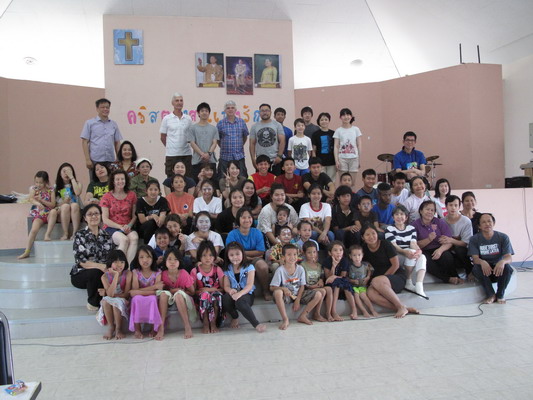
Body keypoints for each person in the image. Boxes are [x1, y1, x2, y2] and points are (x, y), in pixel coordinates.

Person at [361, 225, 418, 318]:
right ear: (362, 237)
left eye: (373, 233)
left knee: (376, 281)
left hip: (396, 276)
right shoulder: (364, 249)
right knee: (371, 294)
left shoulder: (386, 244)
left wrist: (381, 280)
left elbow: (395, 265)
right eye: (367, 235)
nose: (371, 237)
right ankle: (403, 308)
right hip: (379, 281)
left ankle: (400, 306)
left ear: (377, 234)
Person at [70, 204, 115, 311]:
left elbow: (111, 257)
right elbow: (81, 261)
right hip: (81, 274)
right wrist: (100, 266)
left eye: (96, 213)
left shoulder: (107, 236)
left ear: (100, 216)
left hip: (102, 273)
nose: (94, 216)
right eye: (90, 214)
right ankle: (93, 303)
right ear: (85, 218)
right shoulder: (80, 235)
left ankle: (107, 304)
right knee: (95, 272)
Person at [270, 244, 324, 330]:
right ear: (283, 257)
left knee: (318, 294)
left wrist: (298, 300)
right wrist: (283, 288)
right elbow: (272, 287)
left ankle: (303, 316)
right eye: (289, 254)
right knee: (278, 292)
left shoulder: (300, 269)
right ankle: (285, 319)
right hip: (287, 296)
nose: (292, 257)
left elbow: (302, 286)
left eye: (295, 254)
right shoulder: (280, 270)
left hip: (298, 294)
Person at [468, 213, 514, 304]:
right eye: (484, 222)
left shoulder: (503, 237)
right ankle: (491, 295)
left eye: (489, 221)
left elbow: (509, 257)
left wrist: (502, 262)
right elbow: (475, 259)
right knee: (476, 268)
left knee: (507, 268)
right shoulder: (474, 239)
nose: (487, 224)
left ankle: (500, 295)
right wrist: (482, 262)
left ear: (493, 223)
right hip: (485, 272)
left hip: (498, 270)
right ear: (479, 226)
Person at [413, 200, 462, 284]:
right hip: (424, 250)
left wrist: (440, 250)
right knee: (425, 260)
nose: (430, 212)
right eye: (427, 209)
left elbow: (449, 241)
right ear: (421, 211)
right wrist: (428, 239)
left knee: (447, 256)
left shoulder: (439, 222)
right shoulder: (415, 225)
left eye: (432, 210)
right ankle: (447, 279)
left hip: (439, 247)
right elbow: (415, 244)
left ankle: (455, 276)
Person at [226, 207, 271, 300]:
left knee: (262, 266)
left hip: (254, 260)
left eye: (249, 217)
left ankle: (265, 290)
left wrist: (241, 253)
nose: (247, 220)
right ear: (238, 219)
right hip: (237, 261)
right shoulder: (232, 234)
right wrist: (244, 256)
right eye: (243, 217)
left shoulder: (257, 232)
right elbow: (230, 252)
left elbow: (260, 251)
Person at [222, 241, 266, 332]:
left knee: (240, 302)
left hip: (247, 294)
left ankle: (256, 324)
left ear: (243, 254)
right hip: (234, 293)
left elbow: (249, 285)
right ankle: (235, 316)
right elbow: (226, 286)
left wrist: (240, 294)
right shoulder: (227, 269)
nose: (235, 257)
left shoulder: (249, 267)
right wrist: (230, 291)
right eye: (231, 255)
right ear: (227, 256)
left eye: (237, 254)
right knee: (224, 299)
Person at [385, 205, 427, 297]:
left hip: (409, 251)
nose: (399, 216)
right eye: (396, 214)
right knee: (410, 252)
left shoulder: (411, 228)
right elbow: (393, 245)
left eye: (402, 214)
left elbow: (413, 243)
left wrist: (418, 251)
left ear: (406, 217)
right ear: (393, 217)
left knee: (422, 256)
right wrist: (405, 252)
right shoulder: (389, 229)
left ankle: (419, 284)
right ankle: (408, 281)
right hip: (396, 253)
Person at [156, 248, 197, 340]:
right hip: (168, 298)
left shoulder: (183, 274)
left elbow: (192, 292)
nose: (172, 262)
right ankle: (161, 327)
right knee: (163, 294)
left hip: (183, 298)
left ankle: (187, 326)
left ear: (179, 261)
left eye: (175, 259)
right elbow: (159, 290)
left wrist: (180, 291)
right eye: (169, 259)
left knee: (178, 295)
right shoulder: (162, 274)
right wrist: (174, 290)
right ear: (165, 261)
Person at [100, 169, 138, 263]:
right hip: (111, 227)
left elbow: (134, 215)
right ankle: (118, 266)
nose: (120, 181)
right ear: (113, 181)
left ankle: (128, 267)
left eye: (122, 179)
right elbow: (105, 219)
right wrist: (120, 227)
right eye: (117, 179)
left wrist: (128, 226)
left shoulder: (132, 195)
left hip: (127, 226)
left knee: (134, 238)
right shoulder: (106, 196)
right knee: (124, 240)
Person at [81, 98, 122, 180]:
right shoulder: (90, 123)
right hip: (95, 160)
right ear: (97, 109)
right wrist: (87, 159)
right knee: (95, 183)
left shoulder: (113, 124)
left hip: (110, 160)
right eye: (102, 107)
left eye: (107, 107)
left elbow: (117, 142)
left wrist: (119, 158)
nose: (105, 109)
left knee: (111, 183)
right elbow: (84, 142)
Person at [18, 171, 55, 259]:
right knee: (34, 230)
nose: (38, 184)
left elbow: (53, 204)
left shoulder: (51, 190)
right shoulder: (33, 189)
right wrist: (38, 204)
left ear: (46, 182)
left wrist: (42, 201)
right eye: (36, 182)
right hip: (39, 214)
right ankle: (27, 251)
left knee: (53, 212)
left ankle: (47, 234)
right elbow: (31, 199)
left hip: (49, 212)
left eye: (41, 183)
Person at [190, 240, 225, 334]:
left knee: (216, 295)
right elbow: (193, 291)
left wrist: (211, 290)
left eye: (210, 255)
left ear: (214, 256)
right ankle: (205, 323)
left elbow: (223, 289)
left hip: (215, 296)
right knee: (205, 295)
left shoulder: (218, 270)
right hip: (201, 298)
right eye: (204, 255)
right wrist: (204, 292)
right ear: (199, 257)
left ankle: (213, 323)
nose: (208, 258)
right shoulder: (195, 271)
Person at [97, 250, 131, 340]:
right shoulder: (104, 276)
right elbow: (110, 294)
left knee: (114, 302)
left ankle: (118, 328)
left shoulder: (128, 274)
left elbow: (126, 294)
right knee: (105, 301)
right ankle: (111, 326)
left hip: (123, 300)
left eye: (122, 262)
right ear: (110, 263)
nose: (119, 265)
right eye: (115, 262)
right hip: (111, 299)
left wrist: (110, 295)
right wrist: (116, 275)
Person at [129, 245, 162, 339]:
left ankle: (153, 328)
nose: (145, 260)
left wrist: (138, 291)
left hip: (152, 296)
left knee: (153, 299)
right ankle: (137, 329)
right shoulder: (135, 272)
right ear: (137, 259)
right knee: (136, 299)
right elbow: (133, 292)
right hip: (140, 296)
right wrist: (153, 287)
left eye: (148, 257)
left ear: (153, 258)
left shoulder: (158, 272)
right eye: (141, 257)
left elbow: (156, 292)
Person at [44, 162, 82, 241]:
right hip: (63, 212)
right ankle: (65, 233)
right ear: (60, 173)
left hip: (76, 211)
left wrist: (72, 178)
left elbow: (77, 193)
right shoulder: (56, 187)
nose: (66, 173)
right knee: (65, 206)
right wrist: (64, 202)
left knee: (74, 205)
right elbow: (55, 205)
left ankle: (75, 233)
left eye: (69, 171)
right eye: (64, 171)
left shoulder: (77, 183)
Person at [159, 93, 193, 179]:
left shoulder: (188, 119)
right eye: (177, 100)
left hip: (186, 154)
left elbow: (191, 137)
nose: (179, 102)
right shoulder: (167, 119)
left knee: (187, 179)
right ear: (172, 103)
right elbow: (163, 137)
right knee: (171, 179)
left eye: (181, 100)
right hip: (171, 155)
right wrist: (171, 147)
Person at [323, 241, 358, 320]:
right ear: (330, 253)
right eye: (335, 250)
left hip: (341, 281)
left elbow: (343, 276)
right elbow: (328, 277)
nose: (338, 252)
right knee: (337, 283)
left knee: (345, 284)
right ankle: (333, 311)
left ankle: (354, 310)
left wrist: (335, 276)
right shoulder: (327, 261)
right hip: (330, 284)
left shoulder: (344, 260)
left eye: (340, 250)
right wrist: (334, 266)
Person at [441, 195, 474, 279]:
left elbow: (465, 243)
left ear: (459, 207)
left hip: (463, 251)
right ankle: (454, 276)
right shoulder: (442, 221)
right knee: (445, 254)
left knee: (460, 249)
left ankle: (470, 271)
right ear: (446, 206)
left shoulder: (466, 221)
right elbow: (442, 239)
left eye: (456, 205)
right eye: (450, 205)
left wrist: (451, 240)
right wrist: (455, 239)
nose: (453, 208)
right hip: (449, 249)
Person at [300, 241, 332, 321]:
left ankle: (328, 313)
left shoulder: (319, 265)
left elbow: (321, 276)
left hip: (316, 288)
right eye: (309, 252)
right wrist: (311, 286)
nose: (312, 255)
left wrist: (321, 280)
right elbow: (302, 282)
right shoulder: (302, 266)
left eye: (314, 252)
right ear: (304, 253)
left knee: (329, 289)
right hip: (307, 290)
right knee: (322, 291)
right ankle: (316, 314)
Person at [249, 103, 285, 173]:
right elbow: (252, 144)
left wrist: (279, 156)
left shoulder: (277, 125)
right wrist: (253, 159)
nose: (265, 112)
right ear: (259, 113)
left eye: (267, 110)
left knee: (275, 180)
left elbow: (282, 141)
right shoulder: (254, 126)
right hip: (260, 161)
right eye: (262, 111)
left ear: (270, 112)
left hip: (274, 161)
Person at [217, 100, 249, 178]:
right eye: (228, 108)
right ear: (225, 110)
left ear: (235, 110)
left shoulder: (242, 122)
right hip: (225, 157)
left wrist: (240, 145)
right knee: (223, 180)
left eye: (232, 108)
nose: (230, 109)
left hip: (239, 157)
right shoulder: (220, 123)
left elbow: (244, 136)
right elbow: (218, 139)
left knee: (242, 179)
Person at [188, 102, 218, 179]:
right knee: (197, 182)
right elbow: (192, 143)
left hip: (211, 161)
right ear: (198, 113)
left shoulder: (214, 128)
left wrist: (208, 154)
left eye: (206, 111)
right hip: (197, 161)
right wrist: (202, 154)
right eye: (202, 111)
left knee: (212, 183)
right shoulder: (192, 128)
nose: (204, 113)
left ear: (209, 113)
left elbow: (214, 143)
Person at [347, 245, 379, 317]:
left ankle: (372, 310)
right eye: (354, 255)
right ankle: (364, 311)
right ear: (350, 256)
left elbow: (370, 270)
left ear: (362, 255)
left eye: (359, 255)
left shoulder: (365, 264)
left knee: (363, 296)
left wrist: (368, 277)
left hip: (362, 285)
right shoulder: (349, 266)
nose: (357, 257)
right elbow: (345, 277)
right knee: (356, 295)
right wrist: (352, 281)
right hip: (353, 286)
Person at [333, 108, 362, 189]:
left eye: (348, 115)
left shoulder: (356, 129)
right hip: (342, 158)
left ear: (351, 116)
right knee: (343, 182)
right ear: (340, 117)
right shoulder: (338, 130)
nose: (346, 117)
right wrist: (336, 160)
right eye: (344, 115)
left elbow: (359, 145)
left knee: (352, 182)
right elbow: (336, 146)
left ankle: (351, 196)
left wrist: (359, 159)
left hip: (354, 158)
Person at [311, 112, 336, 181]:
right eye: (322, 120)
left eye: (326, 119)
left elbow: (336, 148)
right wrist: (315, 161)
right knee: (321, 181)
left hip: (332, 162)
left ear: (329, 121)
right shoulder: (315, 134)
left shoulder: (333, 133)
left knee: (331, 180)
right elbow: (314, 149)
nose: (324, 121)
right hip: (320, 163)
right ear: (319, 121)